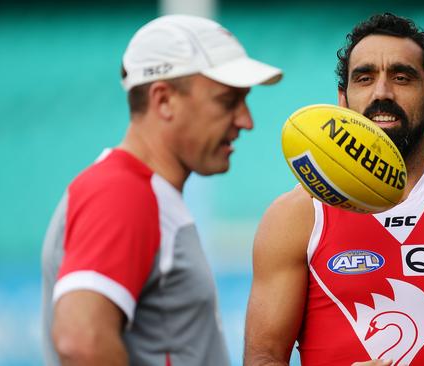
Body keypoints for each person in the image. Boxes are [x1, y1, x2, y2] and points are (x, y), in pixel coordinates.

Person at [244, 13, 424, 366]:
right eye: (364, 78)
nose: (382, 93)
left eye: (402, 77)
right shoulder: (296, 215)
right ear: (343, 100)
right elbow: (263, 358)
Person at [41, 14, 282, 366]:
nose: (246, 120)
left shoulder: (138, 191)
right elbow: (82, 341)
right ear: (163, 99)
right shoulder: (122, 191)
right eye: (228, 101)